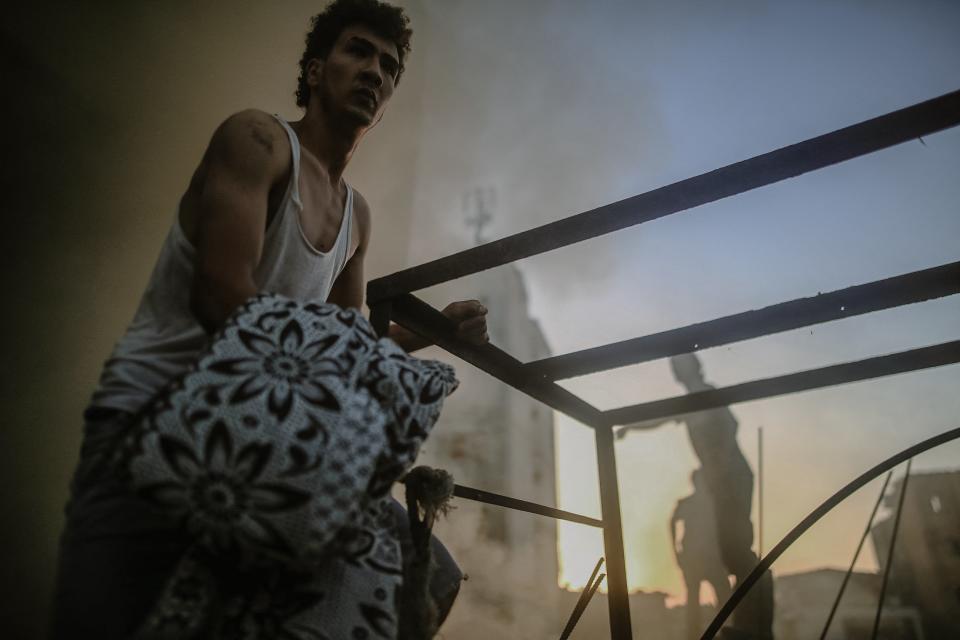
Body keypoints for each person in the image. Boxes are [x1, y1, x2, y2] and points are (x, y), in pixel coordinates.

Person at [51, 1, 486, 637]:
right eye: (357, 51)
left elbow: (350, 344)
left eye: (388, 66)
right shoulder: (256, 140)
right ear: (315, 69)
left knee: (425, 575)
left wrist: (431, 331)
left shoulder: (355, 216)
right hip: (152, 422)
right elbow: (221, 297)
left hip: (261, 443)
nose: (373, 71)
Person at [617, 354, 773, 639]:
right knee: (732, 550)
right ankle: (750, 620)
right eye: (675, 369)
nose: (678, 373)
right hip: (721, 481)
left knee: (737, 548)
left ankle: (756, 621)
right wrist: (629, 426)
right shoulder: (689, 403)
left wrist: (719, 462)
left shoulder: (706, 394)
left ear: (695, 367)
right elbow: (659, 418)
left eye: (680, 367)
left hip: (731, 477)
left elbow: (730, 425)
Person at [671, 469, 733, 640]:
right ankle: (693, 634)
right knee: (693, 600)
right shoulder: (689, 503)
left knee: (724, 595)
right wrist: (676, 550)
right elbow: (672, 522)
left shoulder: (714, 503)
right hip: (694, 559)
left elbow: (726, 527)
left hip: (713, 557)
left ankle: (725, 629)